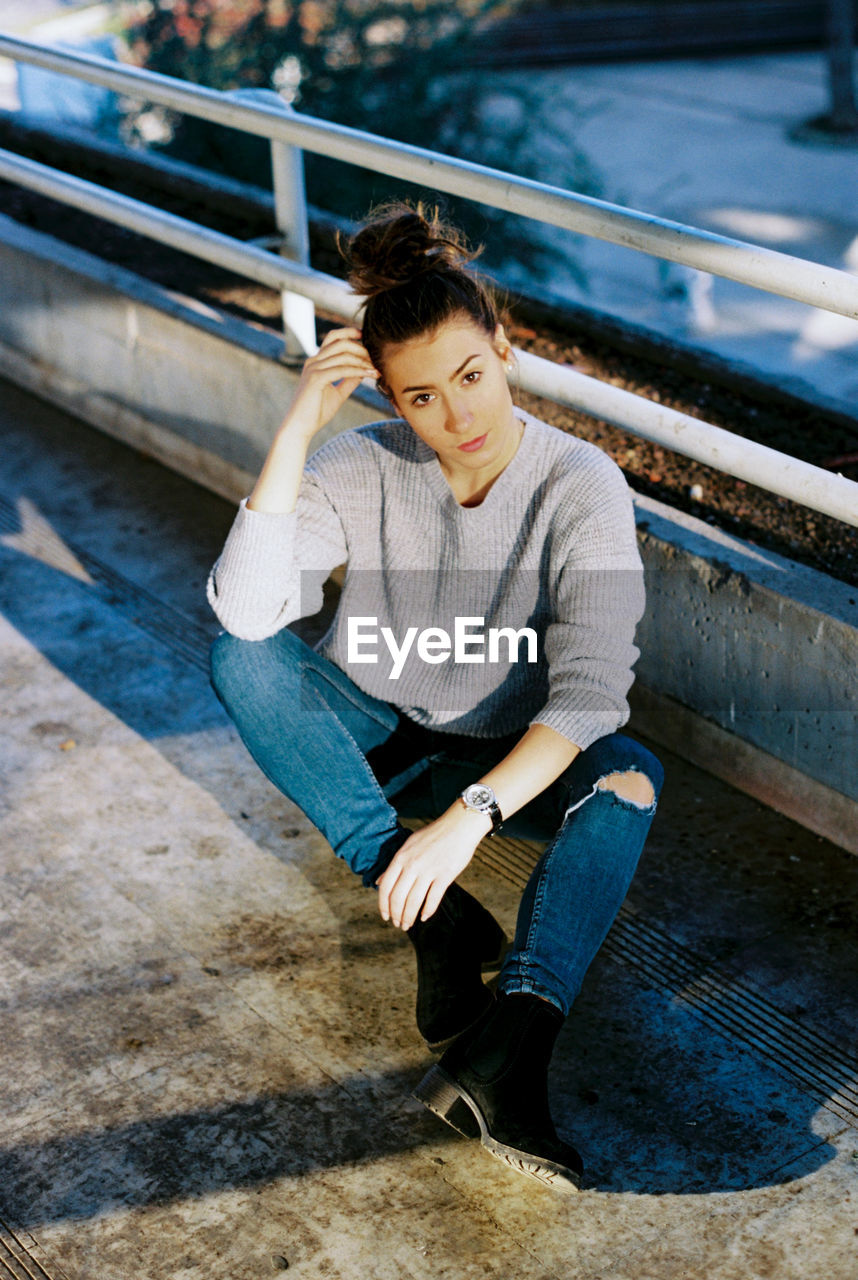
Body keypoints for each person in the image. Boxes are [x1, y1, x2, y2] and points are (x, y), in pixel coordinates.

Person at [207, 202, 664, 1193]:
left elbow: (589, 695)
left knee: (630, 777)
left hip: (492, 759)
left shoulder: (581, 483)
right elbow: (246, 613)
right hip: (371, 737)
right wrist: (297, 427)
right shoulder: (358, 464)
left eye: (470, 376)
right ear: (391, 398)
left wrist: (474, 814)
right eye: (421, 397)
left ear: (506, 350)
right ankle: (440, 922)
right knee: (240, 659)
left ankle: (512, 1044)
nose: (458, 417)